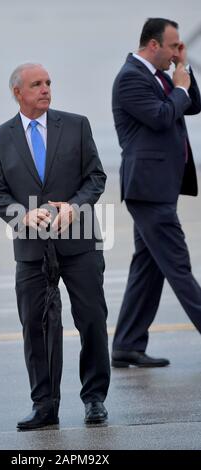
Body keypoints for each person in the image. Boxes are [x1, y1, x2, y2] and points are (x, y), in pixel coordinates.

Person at [0, 63, 110, 430]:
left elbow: (95, 177)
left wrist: (76, 206)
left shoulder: (76, 125)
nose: (45, 89)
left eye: (49, 83)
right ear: (17, 93)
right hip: (31, 248)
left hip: (80, 241)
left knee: (91, 320)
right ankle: (44, 405)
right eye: (37, 84)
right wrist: (21, 216)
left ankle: (95, 399)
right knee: (37, 327)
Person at [111, 18, 201, 368]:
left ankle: (127, 344)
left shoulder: (160, 74)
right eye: (173, 46)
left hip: (160, 187)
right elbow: (163, 117)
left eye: (180, 46)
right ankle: (128, 342)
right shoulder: (131, 78)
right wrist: (177, 88)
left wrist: (183, 68)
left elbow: (193, 105)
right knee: (178, 266)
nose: (177, 51)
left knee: (148, 267)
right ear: (152, 45)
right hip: (148, 191)